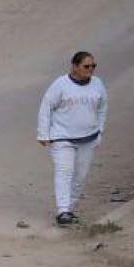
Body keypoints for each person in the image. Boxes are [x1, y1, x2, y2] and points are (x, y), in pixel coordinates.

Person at [36, 50, 106, 225]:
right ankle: (63, 211)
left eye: (93, 66)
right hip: (62, 138)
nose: (90, 69)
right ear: (75, 66)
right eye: (86, 66)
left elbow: (102, 107)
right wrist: (43, 133)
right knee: (64, 173)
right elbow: (46, 108)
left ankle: (70, 208)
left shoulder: (97, 84)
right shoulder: (60, 85)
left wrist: (99, 130)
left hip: (88, 139)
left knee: (80, 176)